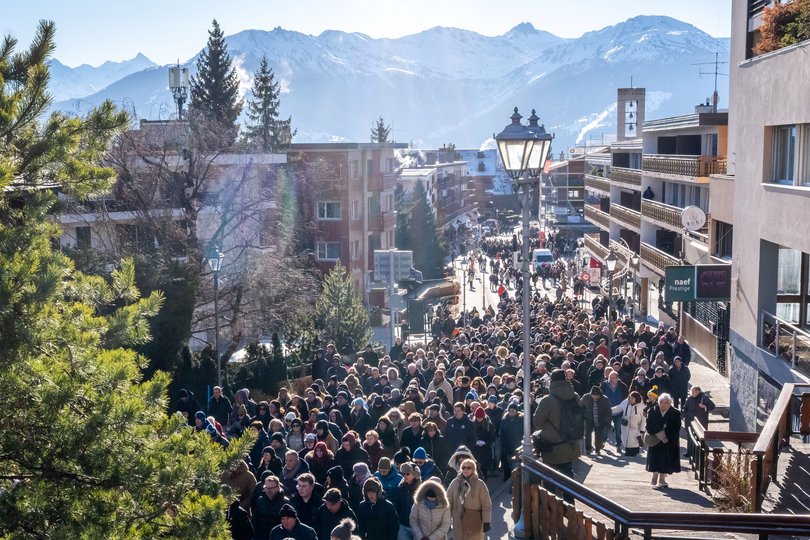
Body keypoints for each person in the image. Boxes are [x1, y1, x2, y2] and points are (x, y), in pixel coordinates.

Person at [446, 458, 492, 540]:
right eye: (463, 467)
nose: (466, 470)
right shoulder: (455, 482)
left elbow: (486, 504)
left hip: (474, 520)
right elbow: (448, 502)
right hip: (458, 521)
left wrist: (486, 521)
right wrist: (446, 518)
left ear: (473, 469)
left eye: (469, 468)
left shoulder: (480, 484)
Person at [645, 393, 682, 488]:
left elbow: (676, 427)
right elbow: (649, 426)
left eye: (666, 403)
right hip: (655, 438)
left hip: (668, 441)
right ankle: (654, 476)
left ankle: (662, 479)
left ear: (669, 403)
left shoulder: (675, 413)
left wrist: (666, 435)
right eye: (661, 402)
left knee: (666, 459)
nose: (663, 404)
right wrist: (659, 433)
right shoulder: (652, 411)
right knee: (655, 458)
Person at [253, 475, 290, 540]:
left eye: (271, 488)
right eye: (267, 488)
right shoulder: (260, 500)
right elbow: (255, 521)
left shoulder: (285, 502)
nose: (269, 490)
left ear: (278, 487)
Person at [610, 391, 646, 457]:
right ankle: (628, 452)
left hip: (636, 427)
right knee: (625, 440)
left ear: (636, 399)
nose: (630, 399)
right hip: (625, 426)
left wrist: (642, 429)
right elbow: (618, 408)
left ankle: (633, 453)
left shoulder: (641, 406)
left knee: (634, 442)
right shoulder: (625, 402)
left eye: (632, 398)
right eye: (629, 398)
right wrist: (608, 410)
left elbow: (644, 419)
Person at [580, 386, 612, 455]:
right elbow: (580, 407)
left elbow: (608, 412)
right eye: (593, 395)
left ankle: (597, 449)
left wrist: (607, 422)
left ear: (600, 395)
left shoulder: (605, 399)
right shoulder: (586, 397)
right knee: (587, 434)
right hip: (588, 419)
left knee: (599, 435)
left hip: (600, 420)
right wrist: (582, 416)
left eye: (596, 396)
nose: (594, 397)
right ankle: (588, 449)